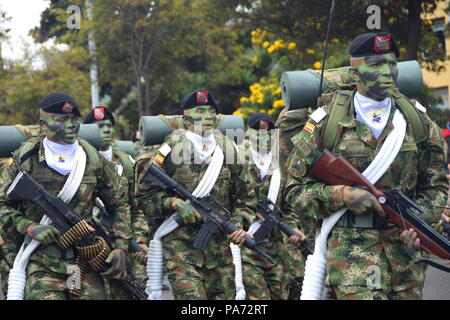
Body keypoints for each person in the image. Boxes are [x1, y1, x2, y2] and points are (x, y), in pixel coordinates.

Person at [284, 33, 448, 300]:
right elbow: (294, 192)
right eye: (375, 64)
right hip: (352, 257)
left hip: (405, 262)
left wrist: (420, 224)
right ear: (354, 73)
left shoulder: (417, 121)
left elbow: (435, 186)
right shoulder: (325, 122)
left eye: (391, 64)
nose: (386, 71)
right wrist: (342, 195)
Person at [0, 92, 132, 300]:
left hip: (82, 264)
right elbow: (2, 205)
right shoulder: (24, 159)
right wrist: (29, 226)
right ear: (43, 125)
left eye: (74, 119)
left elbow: (119, 204)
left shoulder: (92, 159)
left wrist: (121, 247)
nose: (70, 125)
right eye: (61, 120)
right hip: (43, 263)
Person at [135, 90, 256, 299]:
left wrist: (237, 225)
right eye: (200, 111)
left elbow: (247, 198)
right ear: (185, 117)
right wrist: (174, 203)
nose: (207, 116)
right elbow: (145, 196)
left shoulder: (229, 150)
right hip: (181, 247)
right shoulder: (170, 149)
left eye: (211, 111)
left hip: (219, 249)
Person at [84, 106, 150, 289]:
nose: (105, 130)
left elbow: (137, 208)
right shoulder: (81, 161)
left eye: (108, 125)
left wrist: (140, 239)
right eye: (99, 126)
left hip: (127, 244)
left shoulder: (127, 163)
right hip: (93, 246)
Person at [239, 112, 303, 300]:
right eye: (259, 133)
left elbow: (291, 202)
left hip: (277, 247)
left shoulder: (284, 165)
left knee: (280, 293)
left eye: (269, 133)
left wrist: (292, 225)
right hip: (244, 244)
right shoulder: (237, 161)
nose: (264, 137)